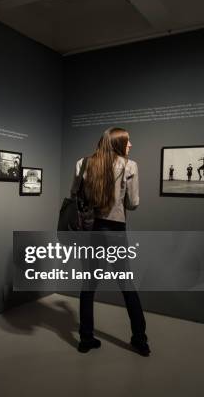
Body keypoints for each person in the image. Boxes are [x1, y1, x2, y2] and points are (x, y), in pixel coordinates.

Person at [72, 127, 150, 356]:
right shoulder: (129, 166)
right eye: (128, 141)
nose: (131, 145)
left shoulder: (82, 163)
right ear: (118, 143)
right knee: (127, 286)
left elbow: (74, 193)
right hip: (115, 230)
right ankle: (140, 340)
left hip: (90, 229)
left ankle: (85, 339)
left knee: (88, 286)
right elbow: (133, 203)